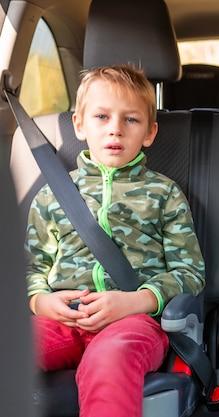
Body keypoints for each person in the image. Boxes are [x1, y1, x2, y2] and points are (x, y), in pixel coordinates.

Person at [25, 65, 205, 417]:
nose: (115, 129)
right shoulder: (53, 195)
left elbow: (190, 271)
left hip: (133, 321)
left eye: (131, 120)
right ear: (79, 124)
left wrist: (137, 302)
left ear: (150, 132)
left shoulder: (163, 193)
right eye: (102, 116)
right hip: (63, 317)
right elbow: (32, 264)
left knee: (109, 361)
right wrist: (40, 302)